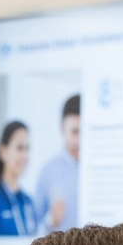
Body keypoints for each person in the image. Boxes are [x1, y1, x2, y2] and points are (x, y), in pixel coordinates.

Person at [33, 93, 80, 231]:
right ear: (62, 128)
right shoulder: (48, 170)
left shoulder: (101, 167)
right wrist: (51, 220)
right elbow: (33, 226)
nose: (79, 139)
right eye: (74, 131)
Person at [0, 121, 37, 236]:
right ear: (3, 152)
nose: (25, 156)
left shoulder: (28, 201)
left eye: (27, 149)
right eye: (20, 148)